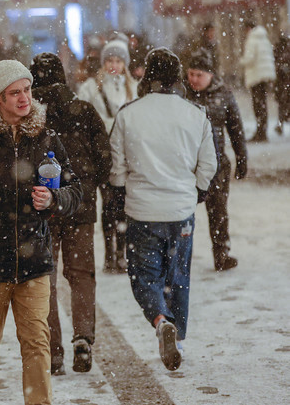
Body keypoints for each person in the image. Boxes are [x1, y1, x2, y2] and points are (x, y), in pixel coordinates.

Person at [0, 60, 82, 405]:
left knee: (37, 342)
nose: (23, 98)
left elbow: (76, 191)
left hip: (35, 260)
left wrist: (55, 198)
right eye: (14, 92)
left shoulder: (46, 137)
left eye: (27, 90)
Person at [110, 48, 217, 371]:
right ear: (178, 77)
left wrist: (122, 190)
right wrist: (196, 190)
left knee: (145, 275)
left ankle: (160, 319)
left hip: (143, 210)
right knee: (179, 274)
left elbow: (117, 168)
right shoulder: (195, 114)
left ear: (146, 76)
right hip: (181, 208)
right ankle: (177, 334)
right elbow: (209, 164)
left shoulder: (128, 114)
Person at [29, 53, 111, 376]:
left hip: (44, 209)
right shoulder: (84, 110)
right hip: (80, 206)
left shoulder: (31, 118)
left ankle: (52, 352)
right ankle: (83, 337)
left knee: (45, 280)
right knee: (81, 274)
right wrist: (88, 188)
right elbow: (105, 158)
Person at [77, 38, 138, 273]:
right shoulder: (91, 87)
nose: (114, 65)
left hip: (125, 154)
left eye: (118, 60)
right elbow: (83, 118)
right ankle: (110, 253)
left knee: (122, 204)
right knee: (108, 204)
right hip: (102, 154)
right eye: (110, 60)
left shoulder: (132, 87)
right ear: (103, 62)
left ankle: (121, 252)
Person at [184, 49, 248, 271]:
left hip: (217, 166)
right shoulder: (182, 94)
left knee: (218, 212)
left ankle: (221, 254)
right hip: (187, 166)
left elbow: (236, 129)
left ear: (210, 75)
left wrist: (242, 158)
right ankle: (179, 256)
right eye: (191, 73)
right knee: (182, 215)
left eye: (199, 75)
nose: (194, 79)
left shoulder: (223, 94)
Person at [240, 20, 277, 142]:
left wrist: (242, 61)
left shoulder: (252, 39)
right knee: (263, 104)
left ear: (248, 29)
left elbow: (250, 59)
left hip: (256, 76)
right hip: (265, 76)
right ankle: (263, 131)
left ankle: (260, 132)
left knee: (257, 105)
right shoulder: (264, 38)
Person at [273, 32, 290, 135]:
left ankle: (280, 124)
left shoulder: (280, 52)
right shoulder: (284, 52)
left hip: (283, 82)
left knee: (282, 104)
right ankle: (280, 124)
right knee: (283, 104)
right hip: (284, 82)